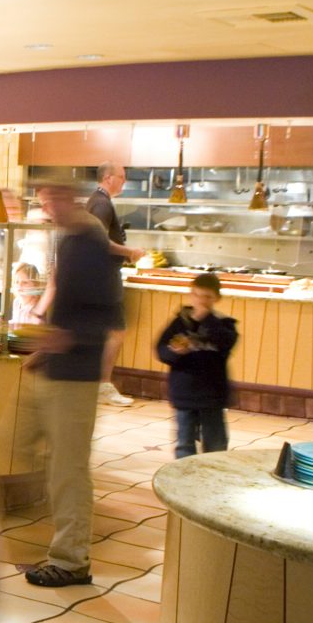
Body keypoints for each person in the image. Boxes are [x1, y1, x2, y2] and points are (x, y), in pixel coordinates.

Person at [17, 172, 124, 587]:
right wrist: (44, 348)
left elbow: (109, 315)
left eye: (52, 201)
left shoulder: (92, 242)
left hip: (76, 376)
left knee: (69, 470)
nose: (47, 210)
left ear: (71, 198)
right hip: (56, 368)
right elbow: (65, 301)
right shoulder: (70, 240)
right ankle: (59, 541)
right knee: (26, 444)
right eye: (43, 203)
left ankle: (71, 560)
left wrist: (68, 338)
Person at [156, 273, 238, 457]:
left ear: (217, 298)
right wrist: (173, 353)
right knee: (184, 441)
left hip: (212, 394)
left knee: (215, 443)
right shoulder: (179, 323)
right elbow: (161, 350)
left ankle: (213, 475)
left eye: (207, 297)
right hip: (184, 393)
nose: (201, 301)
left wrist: (207, 319)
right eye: (197, 295)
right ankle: (184, 475)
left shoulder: (224, 324)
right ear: (190, 295)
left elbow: (227, 342)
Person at [86, 163, 143, 406]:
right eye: (121, 177)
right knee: (116, 331)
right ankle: (102, 385)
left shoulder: (99, 201)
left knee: (106, 332)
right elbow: (97, 241)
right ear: (108, 178)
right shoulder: (101, 203)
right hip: (104, 278)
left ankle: (98, 384)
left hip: (101, 276)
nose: (124, 182)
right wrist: (129, 251)